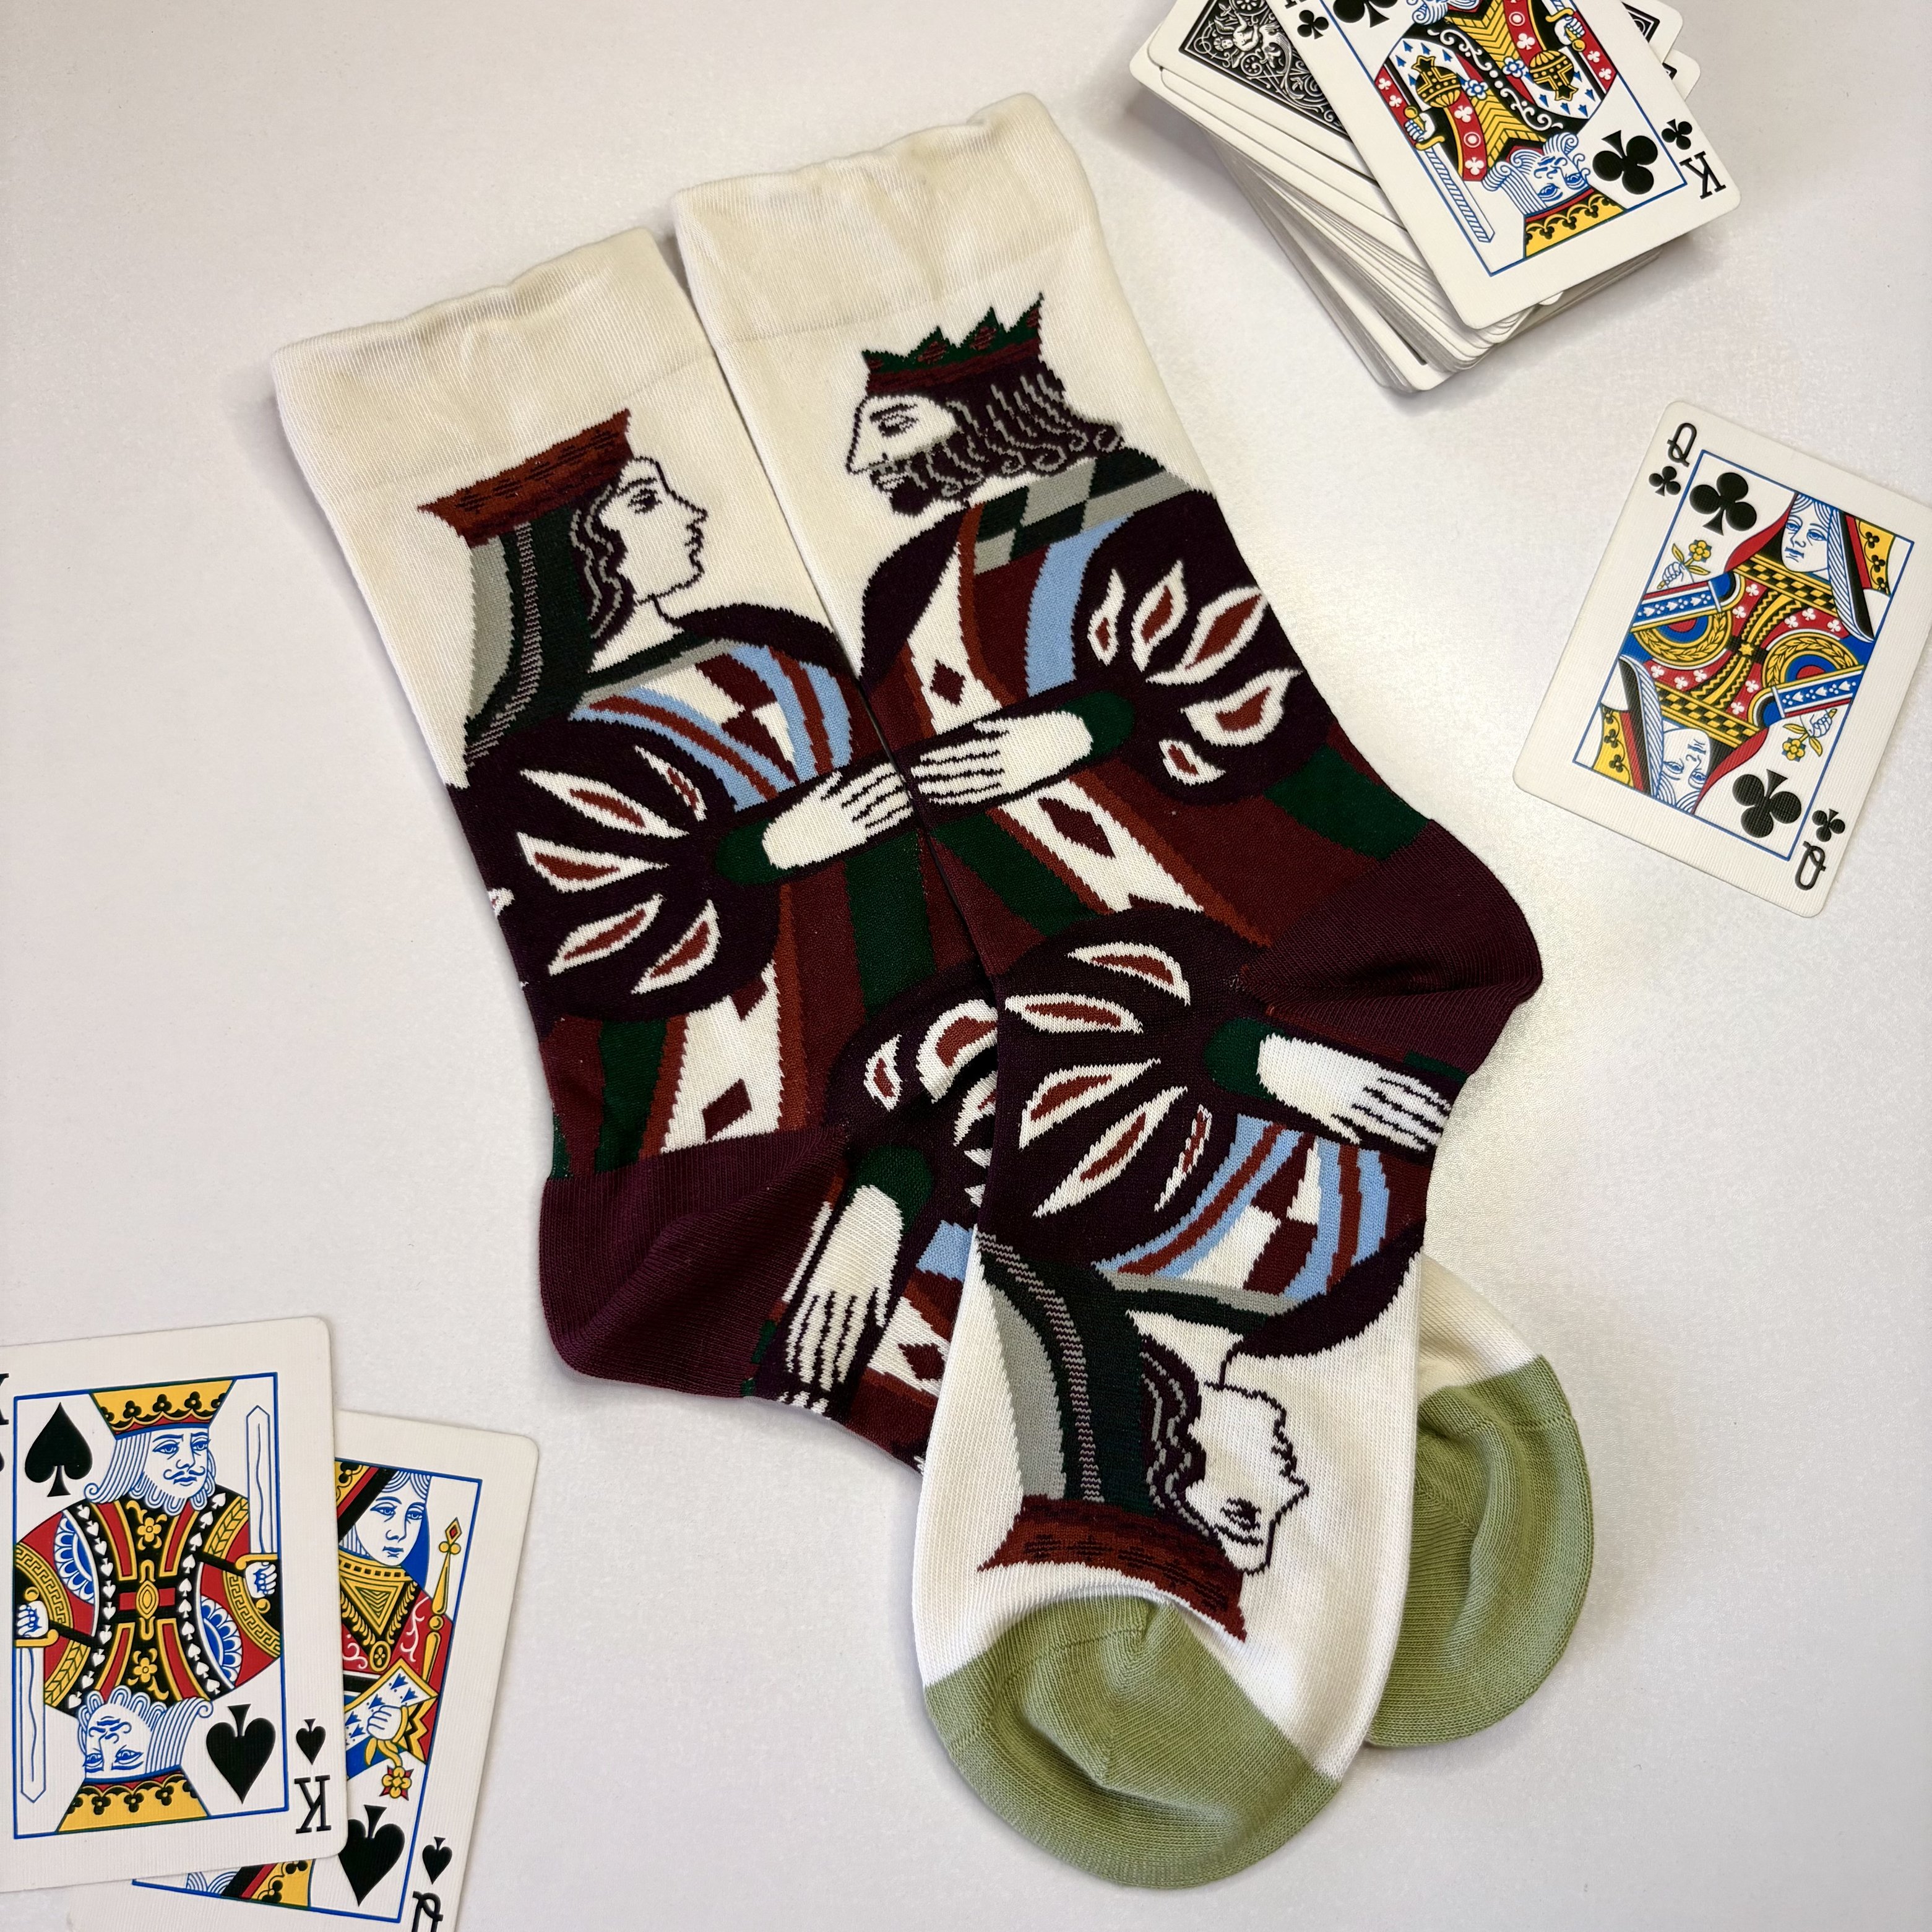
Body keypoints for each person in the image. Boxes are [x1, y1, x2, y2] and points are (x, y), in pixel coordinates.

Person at [12, 1381, 278, 1831]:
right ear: (133, 1455)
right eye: (169, 1448)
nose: (188, 1461)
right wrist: (34, 1622)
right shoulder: (84, 1521)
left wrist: (258, 1586)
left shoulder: (225, 1515)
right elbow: (28, 1573)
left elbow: (269, 1624)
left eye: (199, 1446)